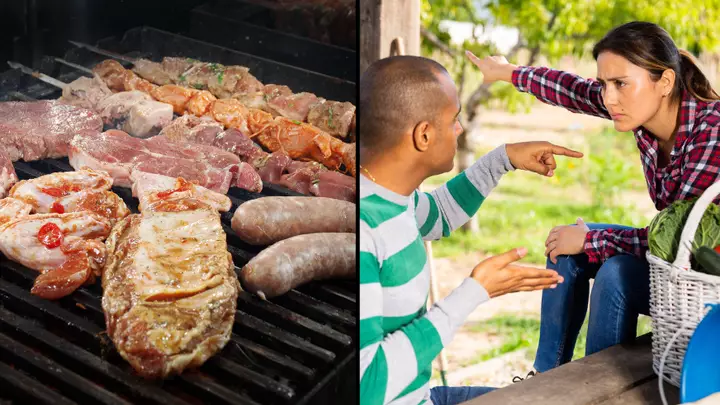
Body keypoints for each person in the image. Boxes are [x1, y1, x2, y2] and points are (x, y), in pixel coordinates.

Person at [466, 21, 720, 376]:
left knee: (614, 272)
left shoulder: (712, 134)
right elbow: (573, 91)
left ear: (664, 82)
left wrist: (593, 238)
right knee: (563, 246)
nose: (607, 97)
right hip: (673, 273)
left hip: (705, 289)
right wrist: (507, 73)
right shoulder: (643, 110)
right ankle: (545, 376)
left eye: (620, 84)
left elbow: (682, 239)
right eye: (604, 83)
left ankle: (597, 388)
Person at [359, 55, 584, 405]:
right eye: (454, 120)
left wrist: (504, 157)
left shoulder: (391, 197)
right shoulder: (366, 231)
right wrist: (474, 293)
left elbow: (439, 214)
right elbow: (367, 385)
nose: (460, 129)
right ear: (423, 135)